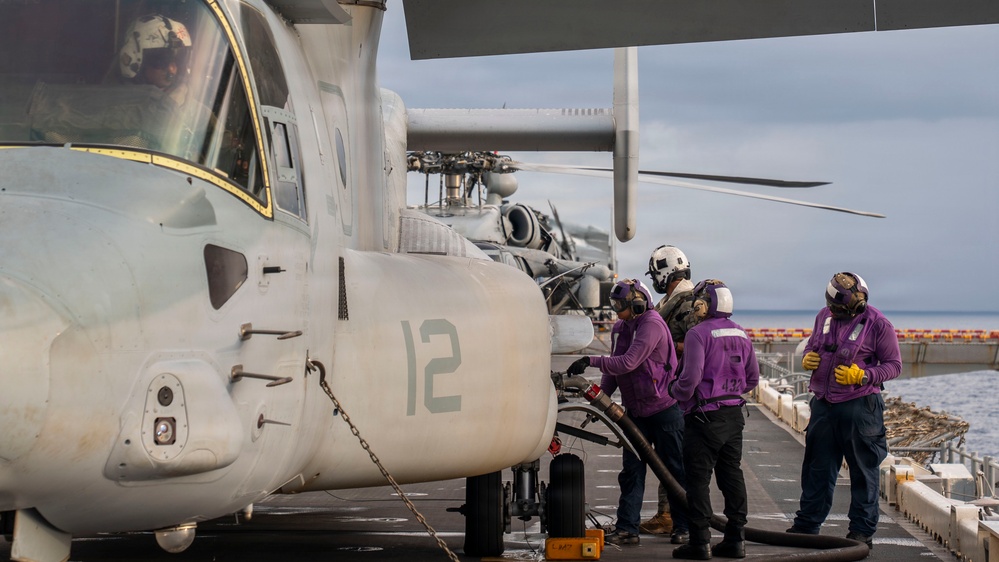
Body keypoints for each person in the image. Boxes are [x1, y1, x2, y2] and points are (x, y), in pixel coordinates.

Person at [567, 279, 690, 546]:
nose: (616, 311)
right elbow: (615, 367)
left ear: (637, 303)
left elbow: (628, 361)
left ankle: (683, 527)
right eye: (614, 305)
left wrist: (590, 359)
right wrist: (601, 398)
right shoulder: (622, 327)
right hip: (636, 411)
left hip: (664, 409)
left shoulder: (652, 324)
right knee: (632, 471)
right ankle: (627, 528)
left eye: (620, 306)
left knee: (674, 470)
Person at [787, 272, 901, 550]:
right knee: (818, 467)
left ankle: (861, 532)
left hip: (860, 407)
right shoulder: (823, 317)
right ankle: (807, 525)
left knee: (864, 470)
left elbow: (894, 365)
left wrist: (862, 375)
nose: (845, 314)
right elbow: (814, 346)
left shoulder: (878, 324)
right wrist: (807, 358)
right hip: (824, 404)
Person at [668, 280, 758, 560]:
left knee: (697, 480)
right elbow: (752, 378)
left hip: (703, 416)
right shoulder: (742, 333)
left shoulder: (697, 334)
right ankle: (736, 539)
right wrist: (728, 391)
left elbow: (690, 379)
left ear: (704, 304)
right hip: (734, 416)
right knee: (731, 475)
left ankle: (700, 542)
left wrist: (675, 391)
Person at [641, 244, 699, 535]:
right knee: (668, 459)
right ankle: (668, 515)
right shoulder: (672, 301)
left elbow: (697, 345)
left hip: (680, 394)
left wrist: (663, 348)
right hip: (670, 391)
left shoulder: (687, 302)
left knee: (675, 460)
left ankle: (676, 518)